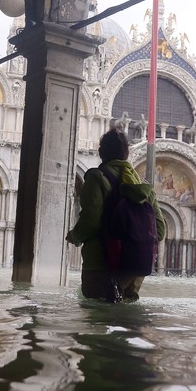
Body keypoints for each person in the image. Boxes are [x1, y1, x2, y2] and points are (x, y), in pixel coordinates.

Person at [65, 129, 166, 302]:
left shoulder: (97, 178)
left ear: (101, 152)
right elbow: (160, 230)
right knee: (127, 321)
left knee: (97, 318)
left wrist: (75, 236)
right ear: (127, 153)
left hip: (101, 263)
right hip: (134, 266)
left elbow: (91, 221)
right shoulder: (144, 187)